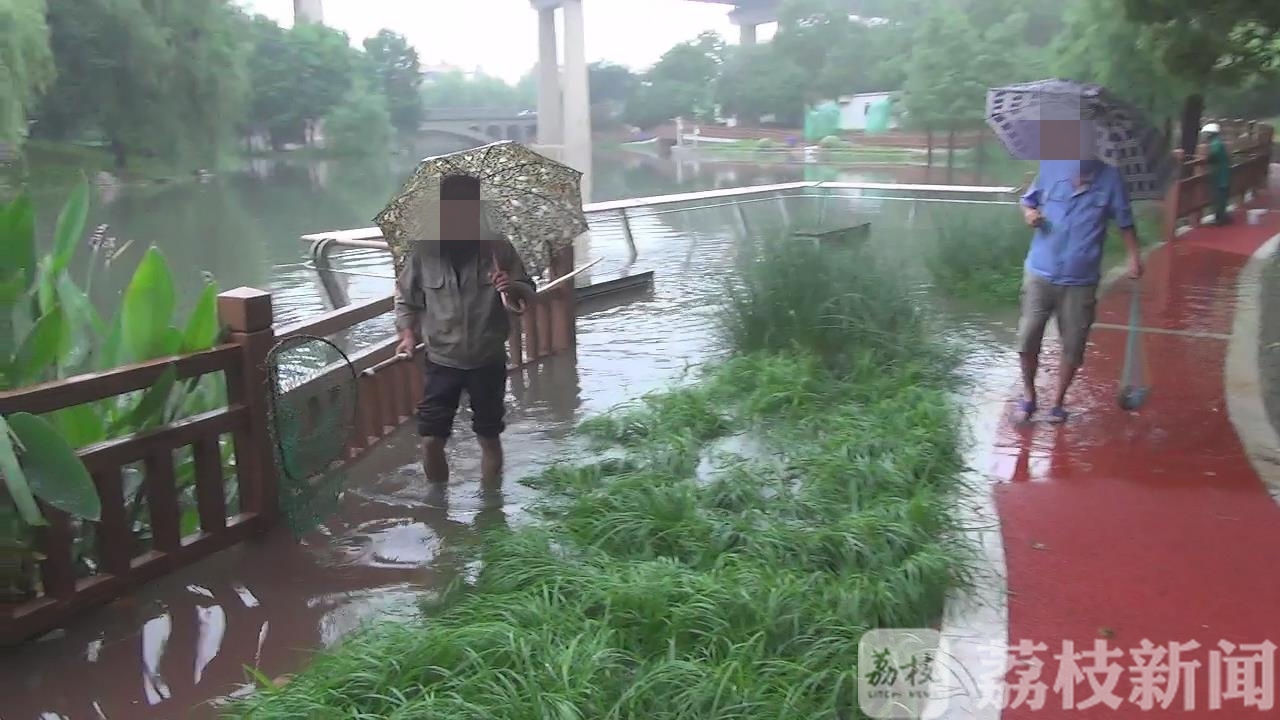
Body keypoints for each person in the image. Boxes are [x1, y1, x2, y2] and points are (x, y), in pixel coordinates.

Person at [394, 174, 536, 484]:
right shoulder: (424, 252)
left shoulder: (498, 249)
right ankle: (439, 505)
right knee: (431, 440)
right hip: (441, 360)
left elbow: (527, 294)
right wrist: (407, 335)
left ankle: (491, 510)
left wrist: (511, 287)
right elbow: (407, 299)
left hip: (487, 358)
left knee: (488, 437)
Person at [1014, 157, 1144, 424]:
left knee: (1073, 346)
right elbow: (1028, 200)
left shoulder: (1111, 179)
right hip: (1040, 271)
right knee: (1027, 339)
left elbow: (1124, 221)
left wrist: (1134, 256)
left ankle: (1058, 402)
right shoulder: (1051, 167)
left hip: (1081, 280)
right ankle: (1029, 395)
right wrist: (1030, 214)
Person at [1202, 123, 1232, 225]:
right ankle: (1221, 216)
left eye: (1207, 134)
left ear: (1211, 134)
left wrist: (1205, 159)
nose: (1206, 137)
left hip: (1220, 175)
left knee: (1219, 197)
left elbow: (1213, 155)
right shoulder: (1218, 142)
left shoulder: (1216, 143)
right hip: (1222, 173)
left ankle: (1220, 219)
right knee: (1221, 197)